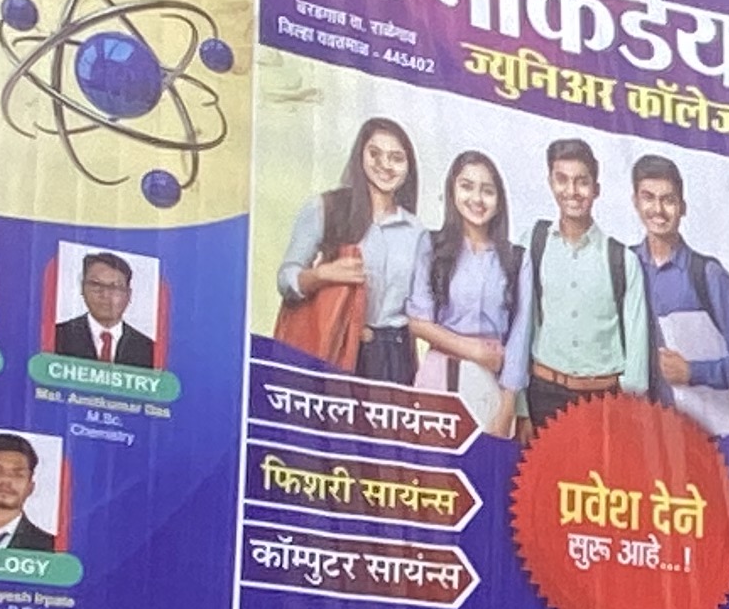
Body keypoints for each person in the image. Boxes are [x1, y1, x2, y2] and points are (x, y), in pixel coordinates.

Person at [500, 134, 654, 435]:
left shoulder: (622, 260)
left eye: (581, 181)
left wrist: (628, 416)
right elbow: (520, 327)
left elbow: (637, 352)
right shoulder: (534, 242)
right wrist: (521, 408)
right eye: (562, 180)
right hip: (543, 394)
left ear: (596, 189)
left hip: (603, 401)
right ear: (551, 182)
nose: (572, 191)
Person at [629, 153, 729, 435]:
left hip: (705, 436)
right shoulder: (624, 267)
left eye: (668, 200)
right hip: (642, 435)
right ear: (636, 203)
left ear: (682, 207)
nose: (658, 210)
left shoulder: (708, 275)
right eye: (649, 198)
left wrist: (692, 372)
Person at [274, 117, 420, 373]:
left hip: (394, 357)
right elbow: (286, 279)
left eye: (396, 158)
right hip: (336, 343)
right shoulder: (326, 208)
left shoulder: (416, 231)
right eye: (375, 154)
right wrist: (322, 274)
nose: (385, 165)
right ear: (360, 156)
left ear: (408, 167)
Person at [406, 152, 519, 427]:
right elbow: (418, 323)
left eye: (487, 190)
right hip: (440, 377)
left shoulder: (515, 258)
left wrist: (508, 405)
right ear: (452, 190)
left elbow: (520, 336)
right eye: (467, 186)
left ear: (499, 200)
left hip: (493, 384)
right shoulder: (431, 246)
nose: (477, 199)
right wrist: (473, 350)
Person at [50, 251, 156, 368]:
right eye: (96, 285)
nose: (105, 295)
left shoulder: (149, 349)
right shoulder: (58, 336)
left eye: (115, 287)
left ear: (128, 294)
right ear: (82, 288)